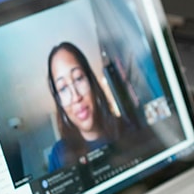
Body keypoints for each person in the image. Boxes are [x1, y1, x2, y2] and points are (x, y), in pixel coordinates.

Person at [46, 41, 155, 172]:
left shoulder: (129, 128)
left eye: (78, 78)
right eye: (63, 88)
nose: (75, 97)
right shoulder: (58, 156)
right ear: (59, 102)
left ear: (92, 82)